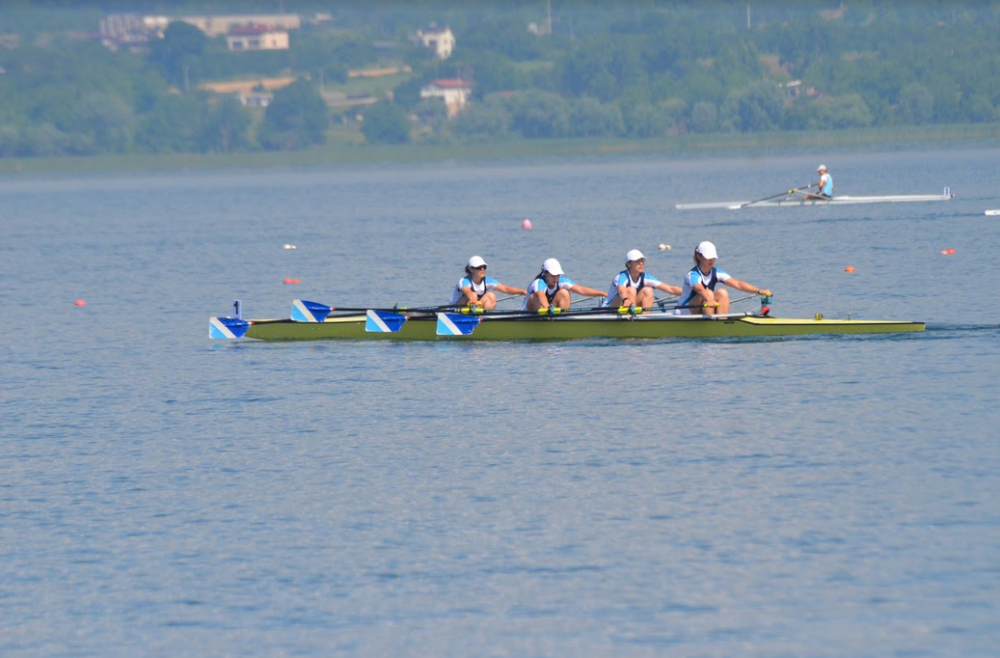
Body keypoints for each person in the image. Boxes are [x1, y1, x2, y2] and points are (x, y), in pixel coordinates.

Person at [677, 241, 771, 316]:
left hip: (703, 308)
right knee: (708, 293)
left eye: (713, 257)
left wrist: (758, 291)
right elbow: (699, 288)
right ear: (699, 256)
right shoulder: (693, 274)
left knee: (723, 292)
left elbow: (738, 284)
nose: (712, 260)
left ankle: (721, 322)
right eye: (708, 257)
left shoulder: (716, 272)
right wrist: (709, 299)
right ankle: (711, 325)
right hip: (684, 311)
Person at [601, 249, 681, 309]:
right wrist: (625, 299)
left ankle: (645, 322)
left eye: (642, 261)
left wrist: (689, 293)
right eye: (637, 261)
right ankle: (631, 322)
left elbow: (670, 289)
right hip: (609, 310)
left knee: (648, 290)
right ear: (629, 264)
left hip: (629, 307)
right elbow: (622, 289)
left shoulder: (645, 277)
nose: (641, 263)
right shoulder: (621, 276)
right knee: (631, 290)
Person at [523, 258, 606, 311]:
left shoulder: (562, 280)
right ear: (545, 273)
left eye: (558, 275)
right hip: (529, 314)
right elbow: (541, 296)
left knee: (564, 293)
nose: (555, 278)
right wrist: (548, 308)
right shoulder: (539, 283)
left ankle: (561, 320)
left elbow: (581, 290)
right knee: (534, 296)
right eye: (552, 276)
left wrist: (602, 293)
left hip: (548, 312)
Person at [449, 256, 526, 311]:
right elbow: (467, 291)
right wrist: (473, 299)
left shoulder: (487, 281)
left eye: (484, 267)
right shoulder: (464, 281)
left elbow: (505, 289)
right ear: (471, 269)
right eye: (479, 267)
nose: (482, 269)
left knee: (491, 296)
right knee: (473, 294)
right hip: (456, 310)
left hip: (473, 309)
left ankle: (484, 320)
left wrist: (523, 291)